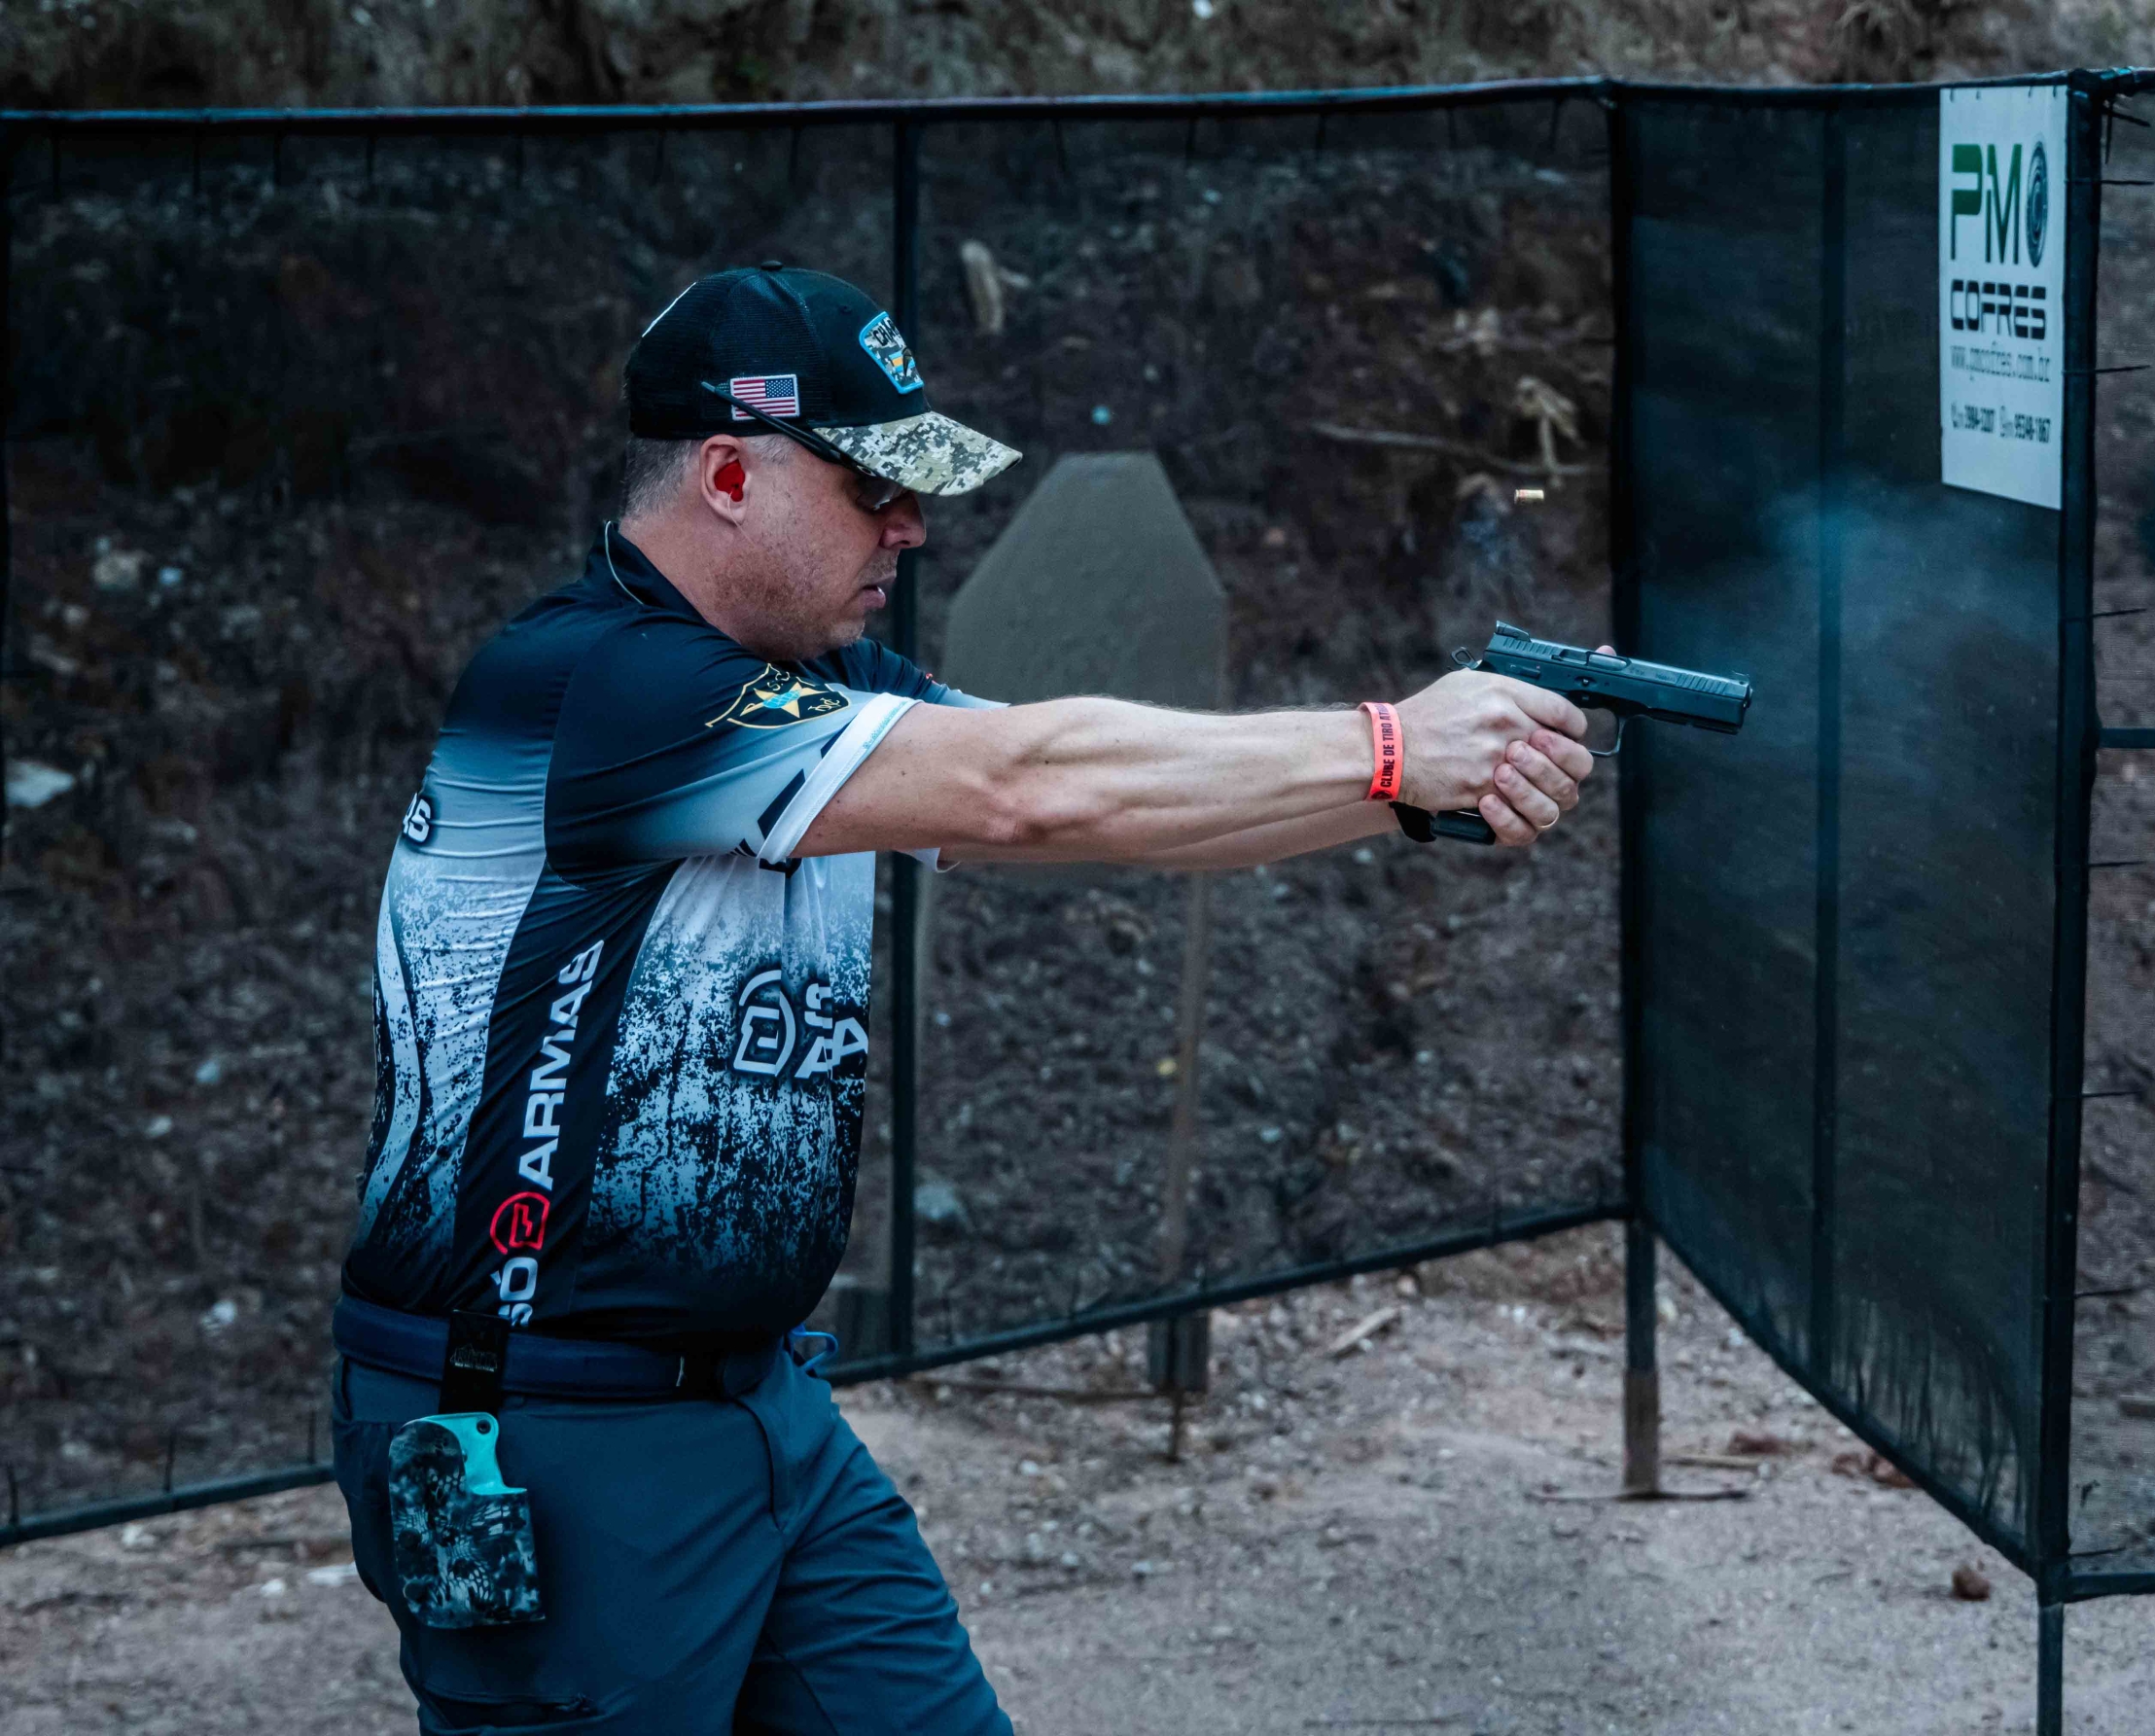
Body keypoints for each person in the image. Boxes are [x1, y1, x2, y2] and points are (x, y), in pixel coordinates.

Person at [329, 262, 1597, 1734]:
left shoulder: (802, 682)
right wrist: (1386, 747)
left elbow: (1094, 810)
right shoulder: (598, 684)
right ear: (729, 477)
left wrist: (1404, 796)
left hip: (754, 1405)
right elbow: (1024, 788)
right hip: (553, 1426)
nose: (912, 525)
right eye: (873, 487)